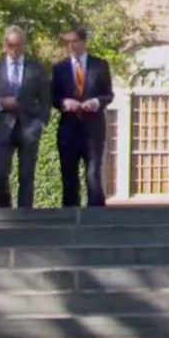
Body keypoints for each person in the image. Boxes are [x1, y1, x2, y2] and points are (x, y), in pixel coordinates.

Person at [0, 25, 50, 208]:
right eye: (11, 45)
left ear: (24, 45)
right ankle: (4, 212)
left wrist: (40, 124)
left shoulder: (36, 69)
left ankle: (25, 215)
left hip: (28, 128)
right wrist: (0, 103)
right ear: (5, 45)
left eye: (18, 45)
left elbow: (46, 100)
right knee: (0, 173)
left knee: (26, 175)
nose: (14, 49)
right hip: (4, 128)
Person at [51, 26, 114, 207]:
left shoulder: (100, 66)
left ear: (83, 42)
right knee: (69, 175)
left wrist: (95, 102)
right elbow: (52, 97)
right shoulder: (59, 68)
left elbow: (108, 95)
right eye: (67, 42)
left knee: (93, 175)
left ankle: (96, 218)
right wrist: (64, 103)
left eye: (74, 41)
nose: (71, 46)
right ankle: (70, 216)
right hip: (69, 129)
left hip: (93, 128)